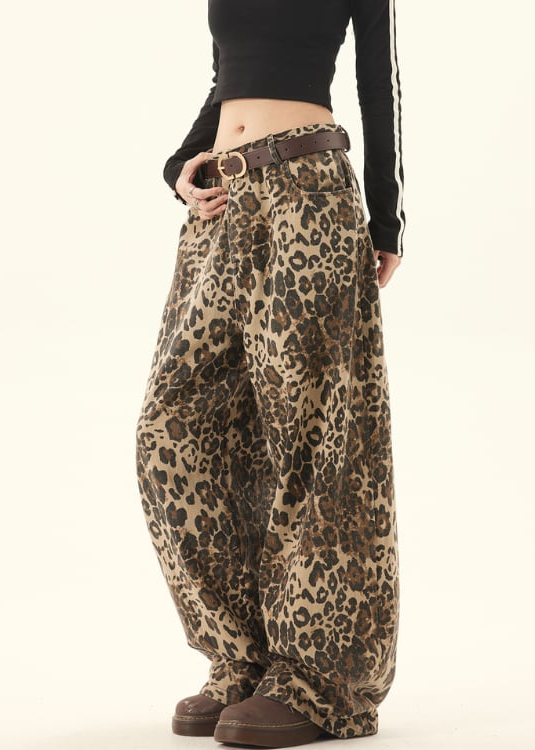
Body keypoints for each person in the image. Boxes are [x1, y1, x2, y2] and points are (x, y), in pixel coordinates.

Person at [136, 1, 405, 746]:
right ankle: (243, 656)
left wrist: (386, 220)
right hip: (222, 207)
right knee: (172, 428)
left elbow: (379, 81)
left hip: (308, 198)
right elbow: (227, 77)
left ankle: (319, 681)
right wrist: (180, 165)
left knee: (312, 437)